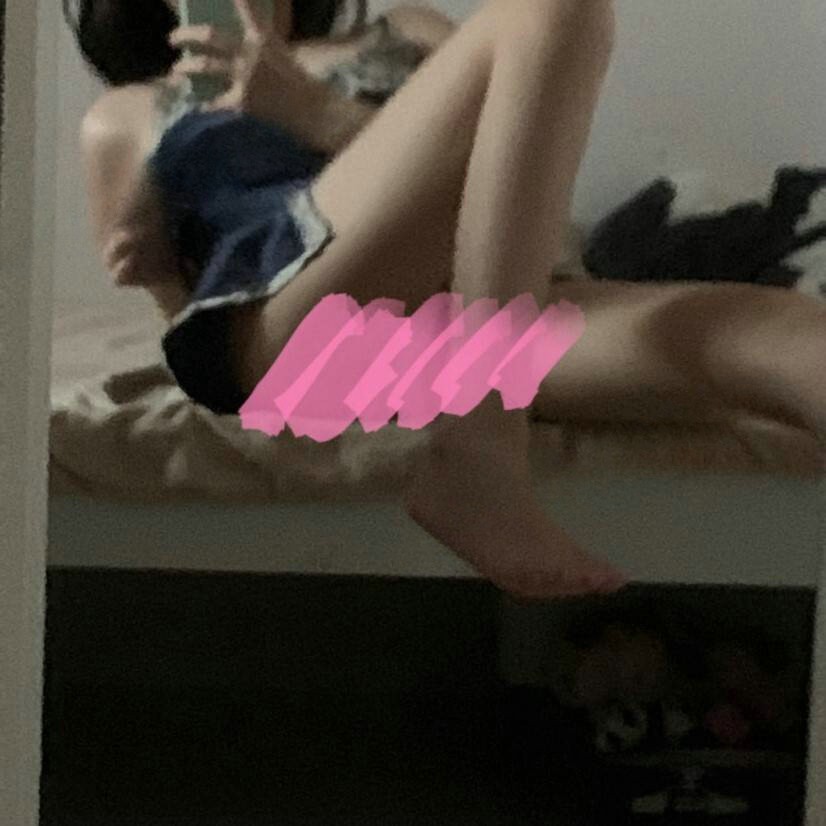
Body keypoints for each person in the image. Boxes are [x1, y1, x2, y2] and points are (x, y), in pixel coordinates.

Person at [67, 0, 825, 601]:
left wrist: (313, 111)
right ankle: (479, 446)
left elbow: (520, 184)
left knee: (789, 337)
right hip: (298, 324)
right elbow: (185, 326)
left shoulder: (407, 32)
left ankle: (481, 413)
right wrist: (154, 271)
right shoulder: (131, 111)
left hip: (474, 315)